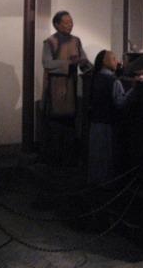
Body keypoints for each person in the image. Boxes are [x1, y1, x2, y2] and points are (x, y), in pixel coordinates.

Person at [41, 10, 92, 166]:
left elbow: (84, 61)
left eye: (71, 22)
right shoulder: (50, 42)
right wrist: (69, 63)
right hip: (55, 87)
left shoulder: (76, 41)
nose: (70, 25)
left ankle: (69, 160)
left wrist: (92, 68)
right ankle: (54, 161)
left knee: (71, 123)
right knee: (56, 123)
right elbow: (47, 63)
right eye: (66, 22)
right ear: (56, 25)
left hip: (71, 85)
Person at [89, 50, 135, 183]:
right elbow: (120, 102)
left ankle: (95, 182)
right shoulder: (113, 81)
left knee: (96, 156)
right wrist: (133, 89)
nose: (118, 62)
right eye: (114, 58)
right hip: (108, 123)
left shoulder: (95, 77)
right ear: (104, 61)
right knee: (106, 157)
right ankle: (106, 184)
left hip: (95, 122)